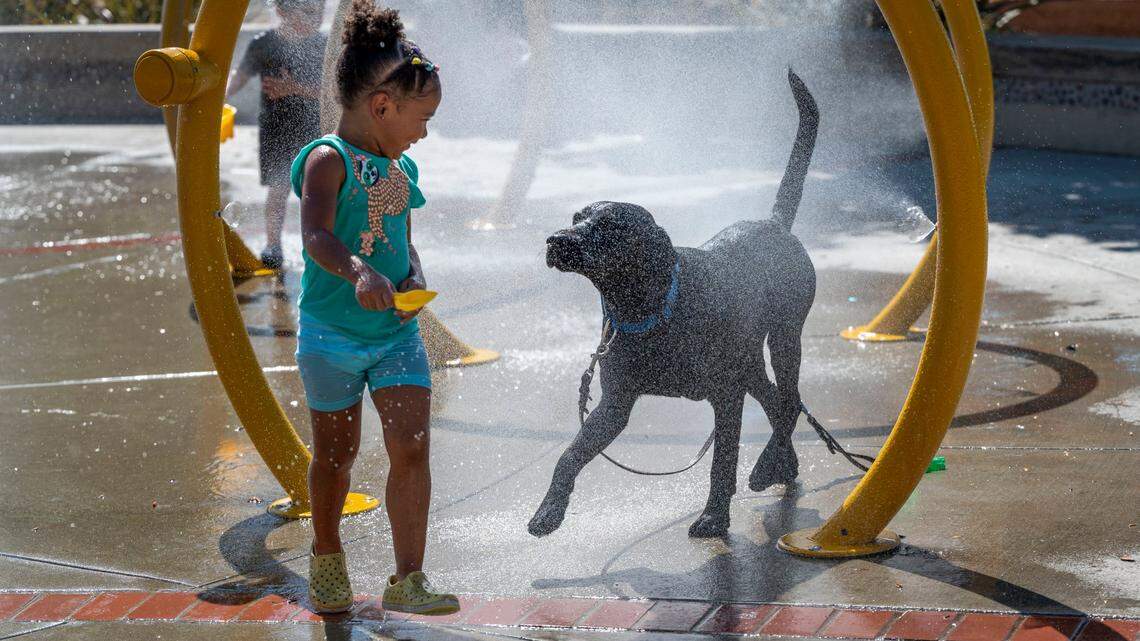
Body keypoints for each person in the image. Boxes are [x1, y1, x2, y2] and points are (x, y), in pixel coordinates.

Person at [289, 0, 457, 616]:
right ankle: (327, 553)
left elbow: (404, 245)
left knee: (412, 446)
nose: (423, 132)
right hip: (332, 334)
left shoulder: (401, 168)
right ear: (381, 106)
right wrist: (357, 269)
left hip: (393, 335)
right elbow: (315, 237)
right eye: (421, 117)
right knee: (337, 455)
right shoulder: (328, 158)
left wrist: (411, 277)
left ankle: (407, 577)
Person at [227, 0, 326, 270]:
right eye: (307, 12)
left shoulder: (323, 46)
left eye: (318, 12)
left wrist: (295, 88)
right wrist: (216, 100)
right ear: (282, 12)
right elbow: (238, 78)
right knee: (278, 188)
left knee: (317, 190)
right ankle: (273, 245)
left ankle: (320, 246)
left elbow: (333, 94)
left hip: (314, 129)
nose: (314, 19)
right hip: (276, 127)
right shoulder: (264, 44)